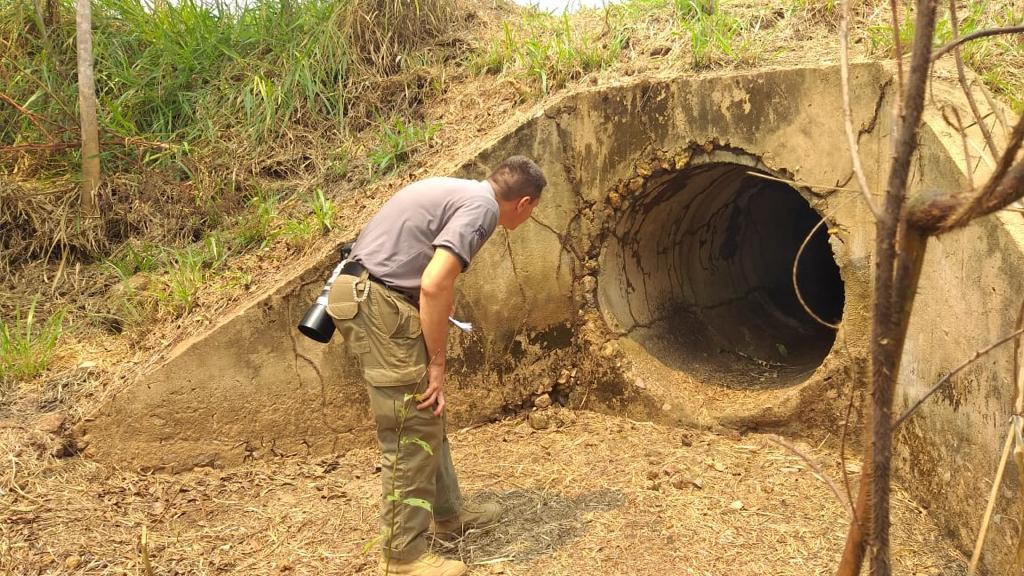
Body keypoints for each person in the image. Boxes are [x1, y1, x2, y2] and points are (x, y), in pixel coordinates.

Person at [326, 156, 547, 576]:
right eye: (533, 208)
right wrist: (438, 365)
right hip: (377, 303)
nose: (530, 215)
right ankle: (401, 555)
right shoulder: (482, 209)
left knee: (426, 412)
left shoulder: (460, 191)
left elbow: (423, 277)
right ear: (523, 202)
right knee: (410, 424)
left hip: (369, 293)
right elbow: (434, 282)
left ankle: (448, 513)